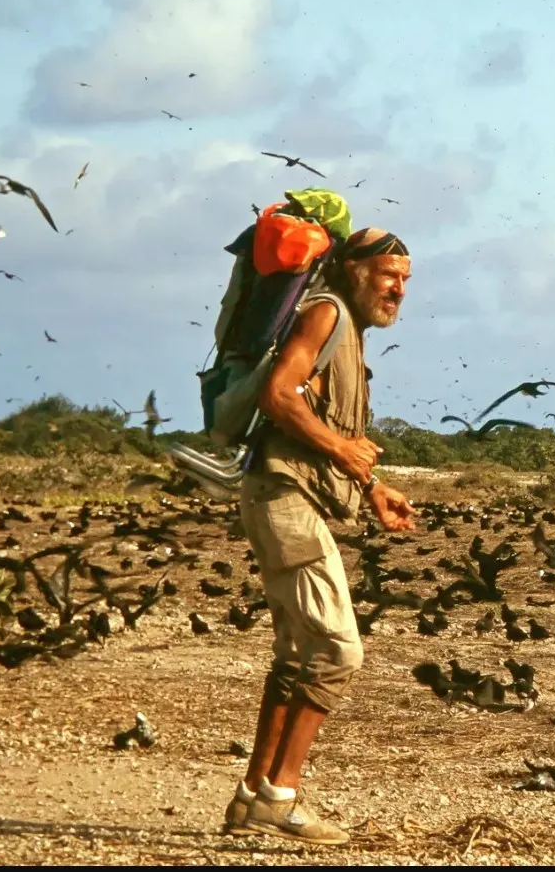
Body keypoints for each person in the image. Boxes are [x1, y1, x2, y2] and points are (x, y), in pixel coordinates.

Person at [224, 226, 416, 846]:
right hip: (284, 499)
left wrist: (372, 485)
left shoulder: (347, 330)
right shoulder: (326, 313)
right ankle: (282, 798)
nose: (399, 289)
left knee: (296, 655)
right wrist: (342, 450)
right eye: (390, 275)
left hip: (289, 493)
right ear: (355, 270)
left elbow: (329, 428)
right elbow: (282, 396)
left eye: (406, 279)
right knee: (338, 651)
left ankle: (254, 795)